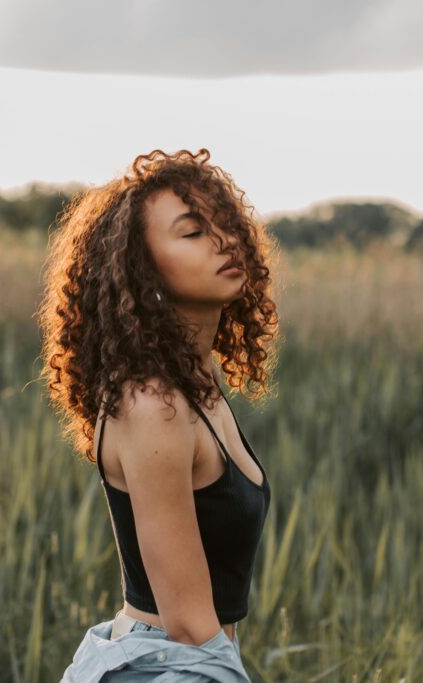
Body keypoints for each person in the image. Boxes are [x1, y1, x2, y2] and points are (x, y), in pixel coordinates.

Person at [36, 148, 281, 680]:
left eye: (227, 224)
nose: (225, 241)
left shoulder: (196, 382)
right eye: (193, 232)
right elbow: (190, 625)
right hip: (175, 664)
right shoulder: (152, 404)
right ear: (141, 266)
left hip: (195, 661)